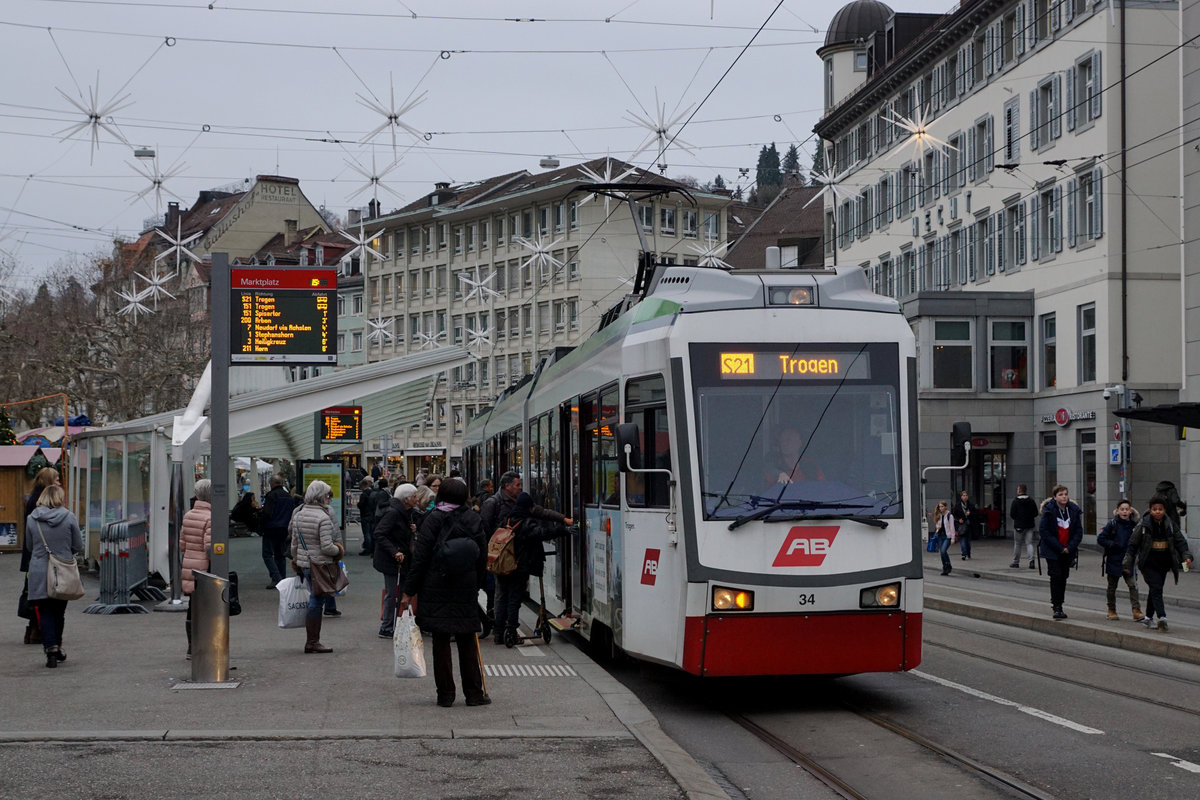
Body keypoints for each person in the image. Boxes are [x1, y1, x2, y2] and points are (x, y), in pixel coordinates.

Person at [400, 478, 491, 707]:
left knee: (440, 641)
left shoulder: (432, 519)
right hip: (465, 585)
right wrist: (477, 582)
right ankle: (474, 694)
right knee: (467, 639)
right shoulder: (473, 518)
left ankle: (446, 695)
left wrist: (408, 591)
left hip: (436, 585)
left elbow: (420, 559)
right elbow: (482, 555)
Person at [480, 471, 572, 644]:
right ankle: (508, 631)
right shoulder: (495, 503)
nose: (520, 486)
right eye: (517, 484)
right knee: (509, 595)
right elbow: (484, 529)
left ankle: (500, 631)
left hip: (507, 558)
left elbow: (543, 512)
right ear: (507, 486)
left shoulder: (516, 507)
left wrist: (563, 519)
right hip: (510, 560)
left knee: (503, 594)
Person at [25, 484, 83, 669]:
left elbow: (29, 546)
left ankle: (50, 648)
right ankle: (57, 646)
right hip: (62, 569)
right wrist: (64, 552)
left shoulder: (31, 519)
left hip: (39, 570)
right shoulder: (69, 517)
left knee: (44, 611)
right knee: (59, 610)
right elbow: (78, 545)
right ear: (60, 498)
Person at [288, 480, 344, 653]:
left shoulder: (299, 515)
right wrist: (339, 550)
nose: (329, 499)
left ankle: (312, 640)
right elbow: (327, 546)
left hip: (305, 562)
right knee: (316, 600)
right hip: (320, 563)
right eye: (327, 495)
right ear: (321, 497)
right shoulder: (323, 517)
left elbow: (294, 544)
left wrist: (297, 561)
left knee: (315, 597)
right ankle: (312, 641)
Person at [1124, 494, 1193, 632]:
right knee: (1156, 587)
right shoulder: (1144, 524)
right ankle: (1162, 617)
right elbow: (1132, 544)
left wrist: (1186, 556)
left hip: (1164, 563)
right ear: (1150, 510)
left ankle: (1148, 617)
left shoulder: (1170, 524)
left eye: (1160, 509)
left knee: (1155, 589)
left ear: (1164, 510)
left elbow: (1180, 542)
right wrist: (1127, 564)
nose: (1157, 511)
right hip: (1148, 562)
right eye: (1154, 509)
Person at [20, 467, 60, 645]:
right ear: (48, 481)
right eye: (56, 479)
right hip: (41, 555)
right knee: (42, 595)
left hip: (34, 555)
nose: (59, 482)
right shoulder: (41, 502)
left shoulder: (33, 497)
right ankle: (36, 630)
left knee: (35, 592)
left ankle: (32, 630)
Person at [374, 483, 418, 638]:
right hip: (392, 560)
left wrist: (411, 529)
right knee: (392, 593)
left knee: (396, 593)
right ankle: (386, 626)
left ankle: (391, 624)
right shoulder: (394, 513)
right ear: (406, 499)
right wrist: (394, 551)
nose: (416, 499)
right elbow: (380, 533)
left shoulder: (405, 512)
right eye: (414, 496)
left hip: (399, 558)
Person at [1038, 484, 1083, 620]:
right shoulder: (1049, 511)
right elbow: (1044, 531)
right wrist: (1059, 547)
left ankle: (1060, 603)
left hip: (1068, 549)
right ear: (1055, 497)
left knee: (1063, 576)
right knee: (1056, 576)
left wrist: (1070, 547)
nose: (1064, 497)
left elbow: (1078, 531)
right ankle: (1057, 606)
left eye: (1065, 494)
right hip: (1053, 550)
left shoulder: (1073, 510)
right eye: (1061, 494)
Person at [180, 479, 213, 659]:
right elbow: (210, 548)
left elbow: (182, 544)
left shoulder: (188, 515)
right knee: (209, 606)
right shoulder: (210, 518)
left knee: (192, 606)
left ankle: (191, 646)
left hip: (189, 564)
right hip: (205, 567)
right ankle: (205, 644)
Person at [1098, 499, 1144, 621]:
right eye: (1122, 509)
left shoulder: (1134, 526)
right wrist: (1113, 544)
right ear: (1117, 511)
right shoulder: (1112, 524)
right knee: (1112, 586)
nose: (1124, 512)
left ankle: (1136, 610)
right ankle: (1111, 610)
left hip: (1129, 561)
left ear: (1131, 511)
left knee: (1133, 585)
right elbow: (1101, 539)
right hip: (1114, 560)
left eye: (1127, 509)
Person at [259, 474, 294, 588]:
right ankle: (282, 579)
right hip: (284, 529)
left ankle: (276, 577)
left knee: (267, 554)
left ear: (272, 484)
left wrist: (261, 526)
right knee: (280, 555)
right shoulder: (288, 496)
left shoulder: (271, 495)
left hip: (271, 529)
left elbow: (267, 514)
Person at [1009, 484, 1039, 569]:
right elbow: (1036, 513)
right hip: (1029, 525)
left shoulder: (1015, 501)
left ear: (1019, 490)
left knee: (1018, 544)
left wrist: (1018, 518)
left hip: (1019, 525)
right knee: (1029, 543)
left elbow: (1012, 514)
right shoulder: (1031, 501)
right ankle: (1031, 561)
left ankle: (1016, 562)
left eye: (1017, 489)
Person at [952, 490, 977, 560]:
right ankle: (964, 554)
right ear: (961, 497)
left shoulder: (971, 505)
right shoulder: (957, 505)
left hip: (969, 525)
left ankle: (968, 553)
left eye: (966, 495)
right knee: (962, 540)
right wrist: (959, 519)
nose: (965, 497)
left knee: (968, 541)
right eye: (963, 496)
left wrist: (970, 514)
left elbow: (976, 514)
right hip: (961, 525)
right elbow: (954, 515)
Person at [931, 501, 954, 576]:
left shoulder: (949, 516)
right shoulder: (939, 515)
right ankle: (945, 567)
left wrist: (953, 538)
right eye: (940, 507)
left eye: (942, 506)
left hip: (947, 536)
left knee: (944, 551)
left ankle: (948, 565)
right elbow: (937, 525)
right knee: (942, 552)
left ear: (946, 507)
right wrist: (937, 527)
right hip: (940, 536)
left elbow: (952, 527)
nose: (941, 508)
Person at [357, 476, 376, 556]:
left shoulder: (363, 494)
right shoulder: (373, 492)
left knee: (366, 533)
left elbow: (361, 505)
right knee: (371, 532)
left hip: (365, 515)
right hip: (372, 514)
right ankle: (371, 548)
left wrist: (358, 504)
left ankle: (367, 548)